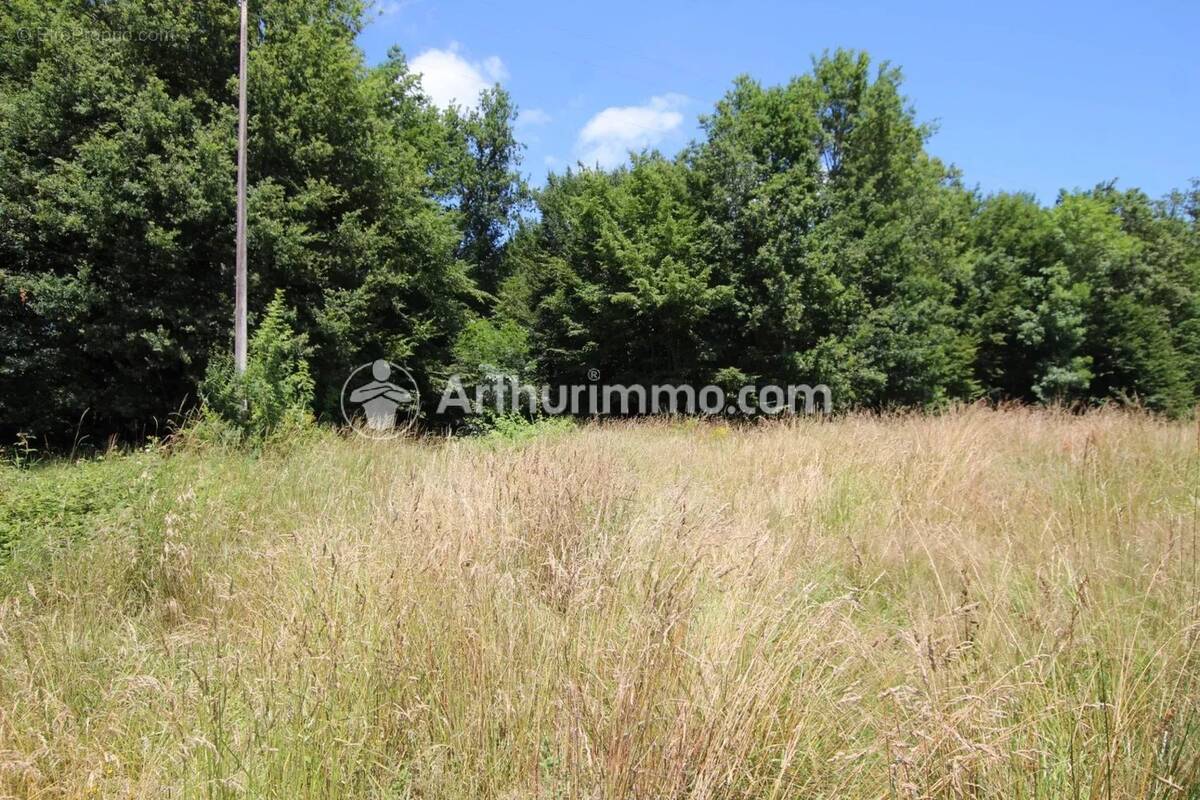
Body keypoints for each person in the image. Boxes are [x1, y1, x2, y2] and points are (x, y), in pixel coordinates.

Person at [349, 360, 412, 430]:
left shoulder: (390, 386)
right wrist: (381, 390)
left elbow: (408, 397)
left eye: (385, 371)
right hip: (371, 424)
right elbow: (353, 396)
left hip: (388, 424)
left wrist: (388, 392)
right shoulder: (371, 386)